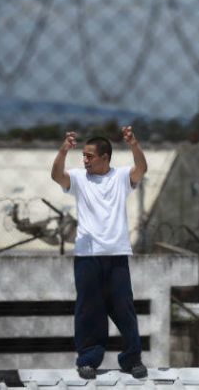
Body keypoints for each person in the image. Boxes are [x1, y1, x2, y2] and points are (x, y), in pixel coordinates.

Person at [50, 127, 149, 380]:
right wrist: (64, 150)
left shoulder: (121, 177)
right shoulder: (79, 178)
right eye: (83, 155)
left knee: (124, 308)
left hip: (116, 254)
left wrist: (134, 144)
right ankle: (88, 360)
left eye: (89, 156)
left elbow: (141, 169)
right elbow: (57, 176)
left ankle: (132, 359)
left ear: (105, 157)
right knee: (89, 310)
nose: (85, 160)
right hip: (87, 255)